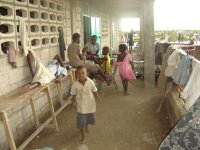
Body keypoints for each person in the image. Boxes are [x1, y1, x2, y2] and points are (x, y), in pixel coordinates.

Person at [70, 66, 101, 143]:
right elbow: (73, 94)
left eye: (83, 73)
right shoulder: (75, 84)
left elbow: (94, 89)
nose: (81, 75)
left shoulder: (90, 81)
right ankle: (83, 135)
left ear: (86, 73)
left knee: (87, 118)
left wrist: (97, 97)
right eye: (79, 73)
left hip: (90, 103)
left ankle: (86, 127)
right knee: (81, 121)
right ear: (76, 74)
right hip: (81, 106)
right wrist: (72, 102)